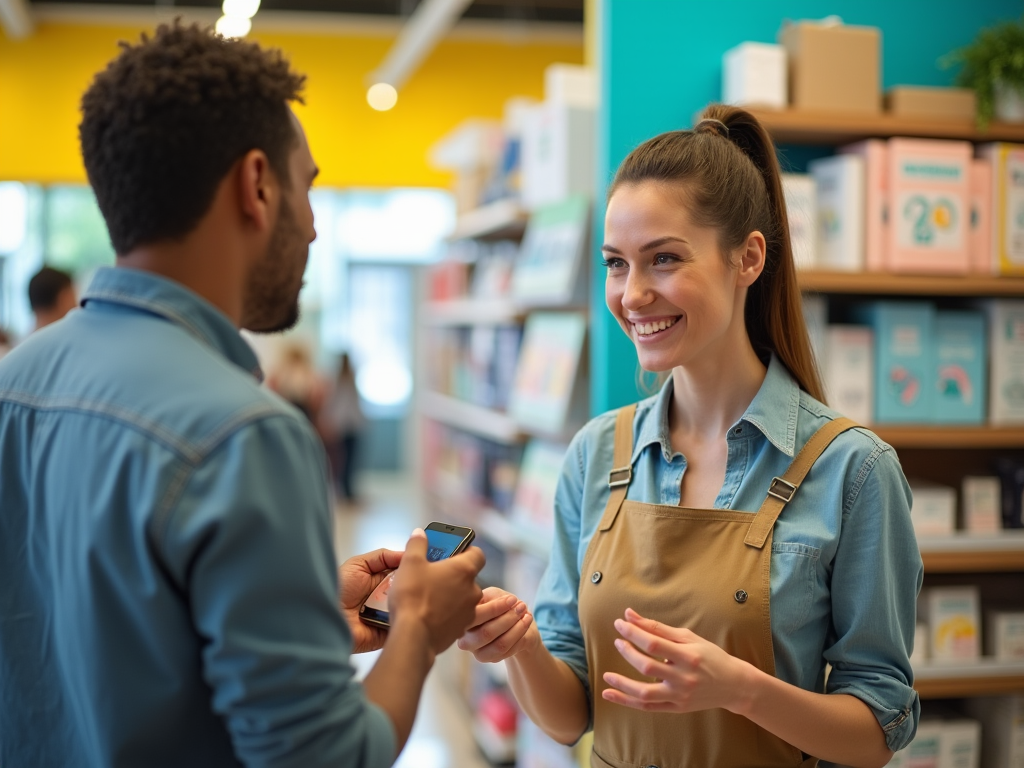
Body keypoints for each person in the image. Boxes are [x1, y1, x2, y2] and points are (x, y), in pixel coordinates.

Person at [0, 22, 484, 768]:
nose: (316, 226)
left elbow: (92, 645)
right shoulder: (243, 434)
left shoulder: (14, 384)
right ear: (257, 185)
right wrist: (416, 625)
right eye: (309, 186)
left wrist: (302, 614)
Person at [458, 105, 922, 768]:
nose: (633, 294)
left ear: (749, 258)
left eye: (665, 259)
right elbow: (569, 719)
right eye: (616, 264)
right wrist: (521, 646)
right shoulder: (597, 454)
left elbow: (878, 730)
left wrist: (740, 690)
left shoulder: (851, 471)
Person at [323, 352, 366, 502]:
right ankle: (345, 490)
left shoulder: (348, 379)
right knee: (344, 460)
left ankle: (348, 490)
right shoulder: (337, 380)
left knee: (349, 460)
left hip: (349, 424)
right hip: (343, 425)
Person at [27, 265, 77, 330]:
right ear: (63, 299)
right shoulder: (69, 336)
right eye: (72, 296)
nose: (77, 306)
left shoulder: (25, 338)